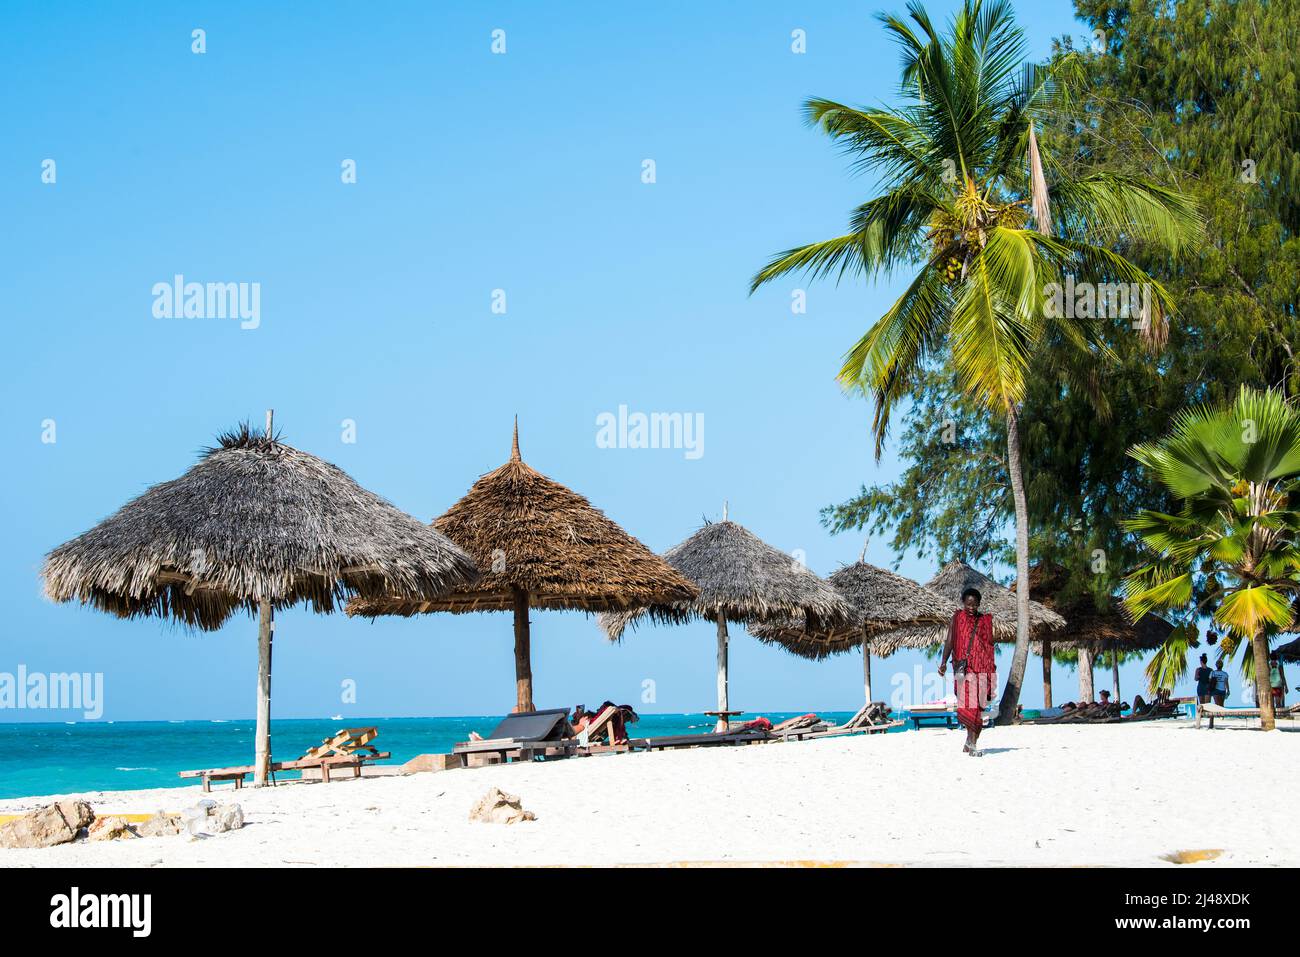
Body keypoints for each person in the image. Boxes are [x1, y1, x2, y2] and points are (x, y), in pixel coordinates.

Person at [937, 586, 997, 757]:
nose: (971, 608)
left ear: (979, 604)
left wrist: (991, 667)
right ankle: (971, 744)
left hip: (982, 669)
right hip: (964, 669)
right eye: (968, 604)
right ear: (963, 602)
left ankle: (969, 742)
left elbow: (989, 646)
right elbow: (950, 641)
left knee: (977, 706)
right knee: (970, 705)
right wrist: (943, 662)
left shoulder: (985, 621)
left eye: (975, 605)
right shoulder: (957, 618)